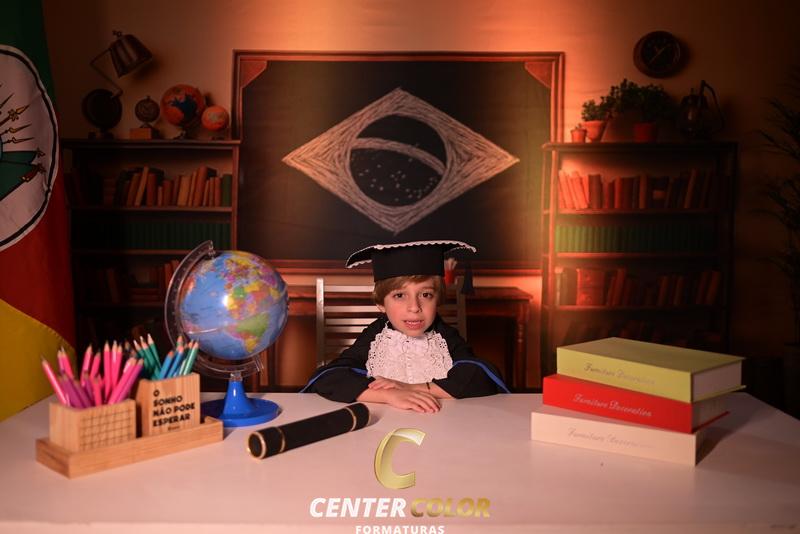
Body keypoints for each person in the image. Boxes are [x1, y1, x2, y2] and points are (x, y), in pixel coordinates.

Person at [302, 240, 509, 413]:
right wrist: (389, 395)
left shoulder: (445, 336)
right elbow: (329, 377)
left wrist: (411, 387)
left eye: (426, 294)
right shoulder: (375, 338)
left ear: (438, 299)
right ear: (381, 304)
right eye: (400, 295)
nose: (414, 307)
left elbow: (480, 376)